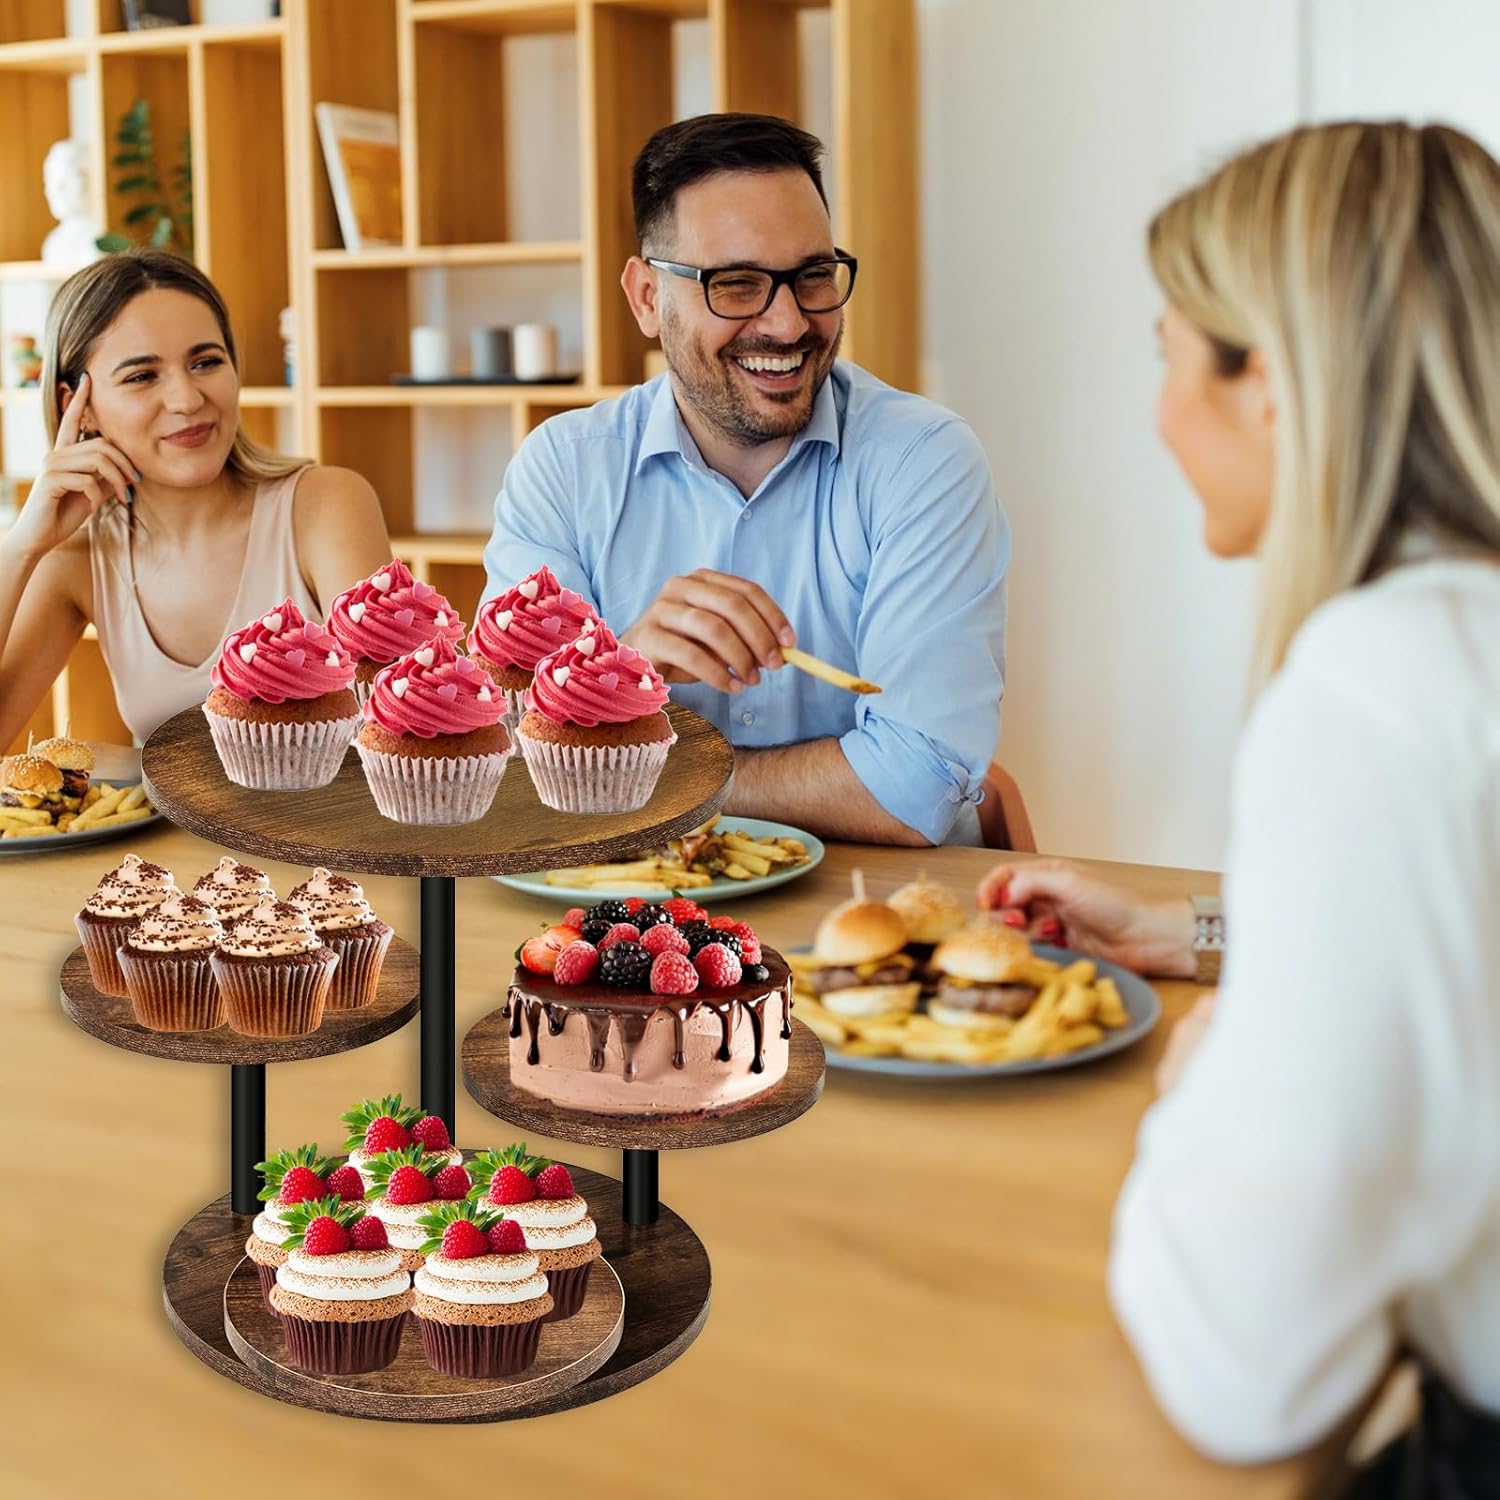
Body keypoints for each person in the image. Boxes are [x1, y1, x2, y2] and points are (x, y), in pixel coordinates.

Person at [978, 123, 1500, 1485]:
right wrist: (1203, 935)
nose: (1157, 415)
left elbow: (1250, 1366)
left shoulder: (1370, 687)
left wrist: (1208, 1071)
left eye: (1166, 355)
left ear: (1269, 376)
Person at [483, 113, 1008, 846]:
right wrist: (615, 675)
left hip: (876, 913)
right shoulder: (565, 469)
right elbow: (505, 768)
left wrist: (637, 766)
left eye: (813, 276)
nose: (789, 323)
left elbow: (911, 785)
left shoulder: (922, 461)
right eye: (736, 285)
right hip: (624, 918)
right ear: (645, 298)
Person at [0, 249, 391, 748]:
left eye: (206, 362)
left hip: (326, 827)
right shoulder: (77, 560)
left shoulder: (325, 506)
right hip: (166, 830)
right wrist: (19, 550)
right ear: (76, 406)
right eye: (142, 376)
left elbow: (407, 734)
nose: (187, 400)